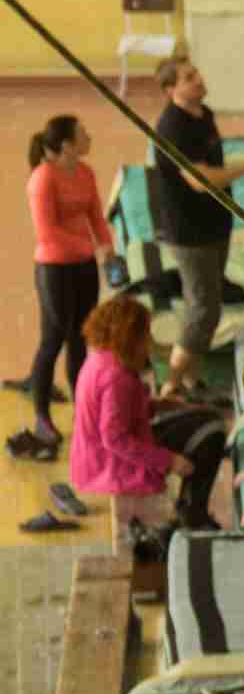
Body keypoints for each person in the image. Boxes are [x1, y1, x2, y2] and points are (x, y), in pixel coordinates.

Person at [150, 57, 244, 399]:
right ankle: (171, 385)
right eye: (189, 78)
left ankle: (191, 380)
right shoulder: (171, 128)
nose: (198, 80)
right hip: (189, 232)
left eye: (197, 73)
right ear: (170, 89)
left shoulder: (203, 114)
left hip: (214, 223)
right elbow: (201, 180)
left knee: (210, 301)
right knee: (203, 309)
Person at [71, 295, 225, 530]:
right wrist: (170, 461)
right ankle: (194, 515)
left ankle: (191, 510)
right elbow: (115, 438)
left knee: (207, 418)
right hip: (112, 465)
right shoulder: (116, 377)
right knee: (211, 431)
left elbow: (121, 411)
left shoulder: (101, 359)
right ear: (130, 338)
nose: (149, 343)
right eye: (145, 336)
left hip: (97, 459)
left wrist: (157, 405)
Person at [11, 116, 112, 460]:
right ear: (67, 144)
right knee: (54, 339)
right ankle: (42, 416)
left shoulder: (85, 172)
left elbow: (96, 215)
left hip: (83, 266)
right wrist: (91, 249)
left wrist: (106, 245)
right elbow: (47, 232)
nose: (89, 137)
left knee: (81, 339)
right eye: (83, 134)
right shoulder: (42, 179)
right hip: (54, 268)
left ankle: (84, 413)